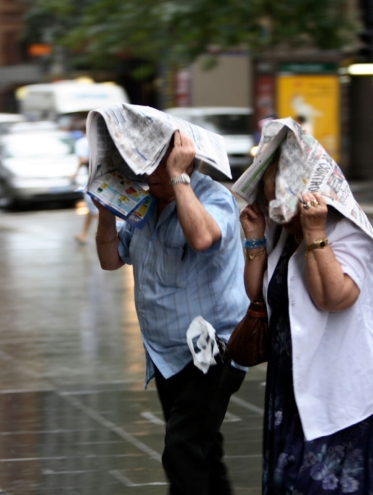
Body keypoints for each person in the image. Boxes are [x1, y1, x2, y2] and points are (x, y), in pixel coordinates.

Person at [239, 156, 373, 495]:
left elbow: (332, 298)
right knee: (286, 481)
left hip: (338, 388)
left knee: (330, 485)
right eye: (270, 200)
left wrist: (314, 233)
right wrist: (255, 238)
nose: (277, 211)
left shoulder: (347, 229)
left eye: (282, 201)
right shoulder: (282, 231)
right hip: (289, 385)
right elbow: (256, 293)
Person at [94, 131, 248, 495]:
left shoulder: (214, 197)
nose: (148, 177)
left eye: (158, 168)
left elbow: (202, 238)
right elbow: (110, 259)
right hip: (167, 354)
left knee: (182, 451)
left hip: (214, 350)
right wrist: (105, 212)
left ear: (184, 162)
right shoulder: (146, 206)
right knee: (203, 453)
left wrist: (180, 179)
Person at [72, 124, 97, 244]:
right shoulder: (100, 139)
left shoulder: (82, 141)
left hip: (93, 179)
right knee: (91, 208)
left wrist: (75, 173)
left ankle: (119, 232)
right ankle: (84, 234)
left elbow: (83, 159)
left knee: (96, 209)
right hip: (106, 177)